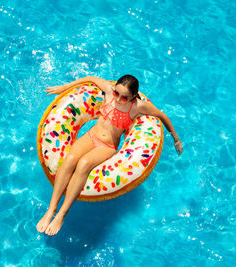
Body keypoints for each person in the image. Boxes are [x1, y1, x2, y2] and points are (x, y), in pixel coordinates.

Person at [36, 75, 183, 235]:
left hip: (108, 146)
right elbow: (90, 78)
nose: (119, 99)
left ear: (133, 96)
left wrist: (176, 139)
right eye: (117, 94)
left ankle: (62, 214)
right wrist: (63, 88)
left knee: (84, 163)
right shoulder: (108, 89)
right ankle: (51, 210)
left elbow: (163, 116)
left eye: (124, 97)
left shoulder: (138, 106)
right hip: (91, 136)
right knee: (70, 158)